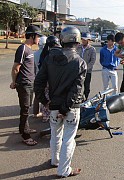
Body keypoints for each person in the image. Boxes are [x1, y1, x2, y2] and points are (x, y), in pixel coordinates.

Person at [34, 26, 87, 178]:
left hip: (53, 106)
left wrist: (45, 102)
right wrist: (65, 109)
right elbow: (76, 90)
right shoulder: (80, 62)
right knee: (69, 138)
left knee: (55, 135)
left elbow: (38, 83)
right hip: (70, 108)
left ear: (62, 40)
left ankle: (55, 160)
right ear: (77, 41)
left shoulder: (50, 58)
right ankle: (64, 170)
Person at [10, 25, 42, 146]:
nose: (38, 39)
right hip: (23, 84)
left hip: (30, 83)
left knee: (27, 108)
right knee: (25, 109)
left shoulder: (29, 49)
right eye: (38, 36)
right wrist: (14, 82)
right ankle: (25, 135)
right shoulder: (22, 48)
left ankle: (25, 128)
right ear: (32, 36)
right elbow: (16, 68)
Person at [39, 35, 62, 122]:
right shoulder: (57, 53)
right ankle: (53, 115)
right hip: (54, 79)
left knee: (46, 96)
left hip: (45, 79)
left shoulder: (43, 54)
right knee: (54, 96)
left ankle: (45, 116)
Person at [77, 32, 96, 99]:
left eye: (85, 40)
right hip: (78, 71)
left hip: (87, 71)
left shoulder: (92, 49)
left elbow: (92, 61)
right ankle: (77, 98)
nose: (83, 41)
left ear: (88, 40)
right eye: (82, 39)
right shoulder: (78, 47)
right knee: (77, 85)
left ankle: (86, 98)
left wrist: (86, 68)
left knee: (86, 86)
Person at [33, 36, 47, 118]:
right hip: (46, 77)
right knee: (46, 95)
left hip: (37, 76)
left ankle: (35, 112)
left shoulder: (35, 54)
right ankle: (45, 113)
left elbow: (34, 67)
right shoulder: (47, 54)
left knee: (37, 95)